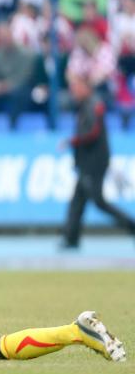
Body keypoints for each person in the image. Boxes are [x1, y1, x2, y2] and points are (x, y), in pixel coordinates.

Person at [61, 76, 135, 249]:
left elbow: (92, 132)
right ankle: (71, 238)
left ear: (87, 88)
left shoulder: (94, 105)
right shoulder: (86, 105)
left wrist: (73, 141)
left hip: (94, 162)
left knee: (98, 201)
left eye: (77, 87)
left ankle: (132, 225)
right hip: (88, 161)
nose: (73, 91)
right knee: (78, 199)